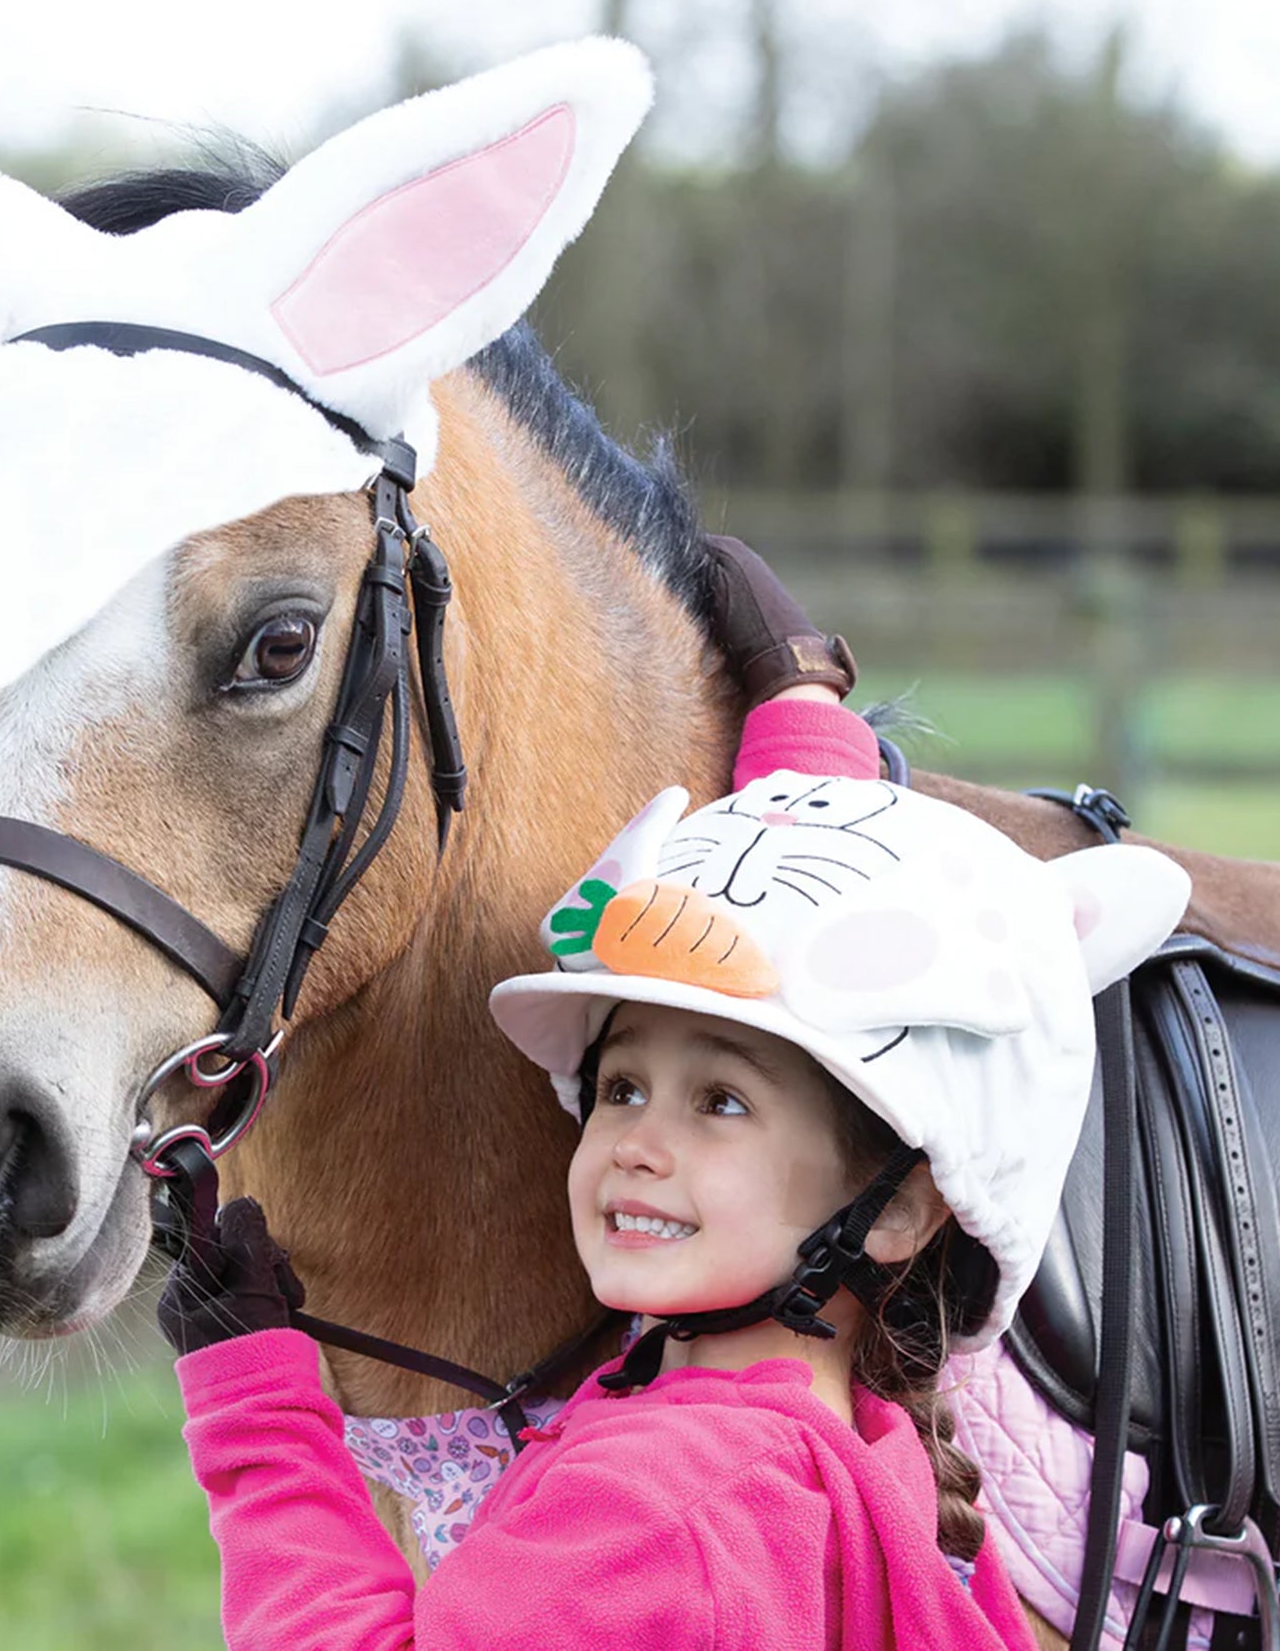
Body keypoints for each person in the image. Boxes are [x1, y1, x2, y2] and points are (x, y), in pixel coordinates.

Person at [156, 689, 1190, 1649]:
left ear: (897, 1210)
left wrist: (254, 1403)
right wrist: (796, 712)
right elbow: (773, 928)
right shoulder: (865, 1455)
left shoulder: (660, 1512)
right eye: (620, 1088)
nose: (635, 1144)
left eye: (720, 1103)